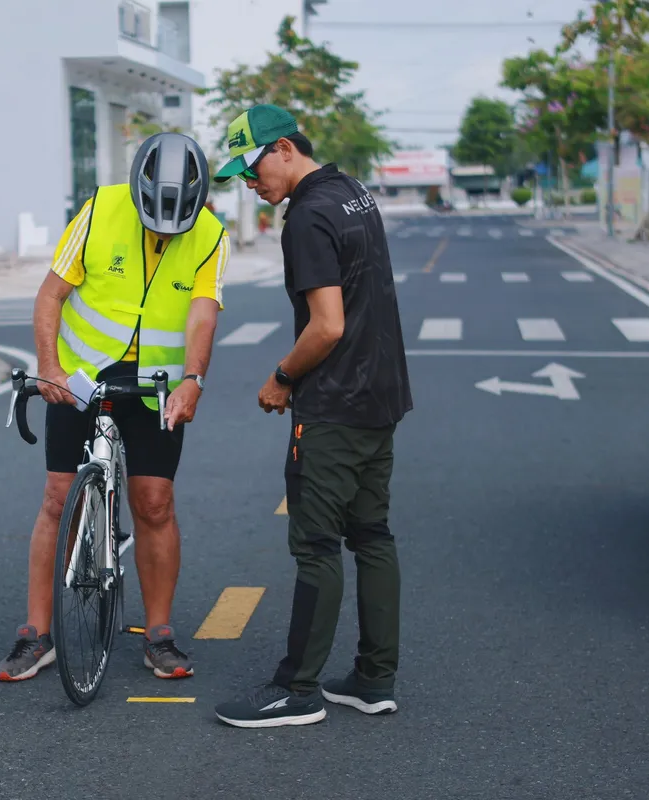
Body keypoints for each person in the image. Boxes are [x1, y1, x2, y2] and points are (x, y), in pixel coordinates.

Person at [0, 132, 230, 683]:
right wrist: (48, 367)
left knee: (154, 503)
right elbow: (51, 294)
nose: (161, 232)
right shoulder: (100, 209)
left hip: (157, 384)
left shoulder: (212, 235)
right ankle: (36, 634)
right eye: (153, 219)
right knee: (58, 497)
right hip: (80, 375)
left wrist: (194, 380)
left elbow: (202, 314)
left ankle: (159, 634)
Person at [209, 104, 413, 728]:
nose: (250, 184)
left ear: (285, 150)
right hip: (381, 395)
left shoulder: (306, 216)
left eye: (253, 168)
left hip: (333, 404)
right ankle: (374, 680)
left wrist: (281, 378)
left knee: (317, 544)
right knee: (372, 535)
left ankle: (297, 691)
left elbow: (327, 326)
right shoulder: (352, 192)